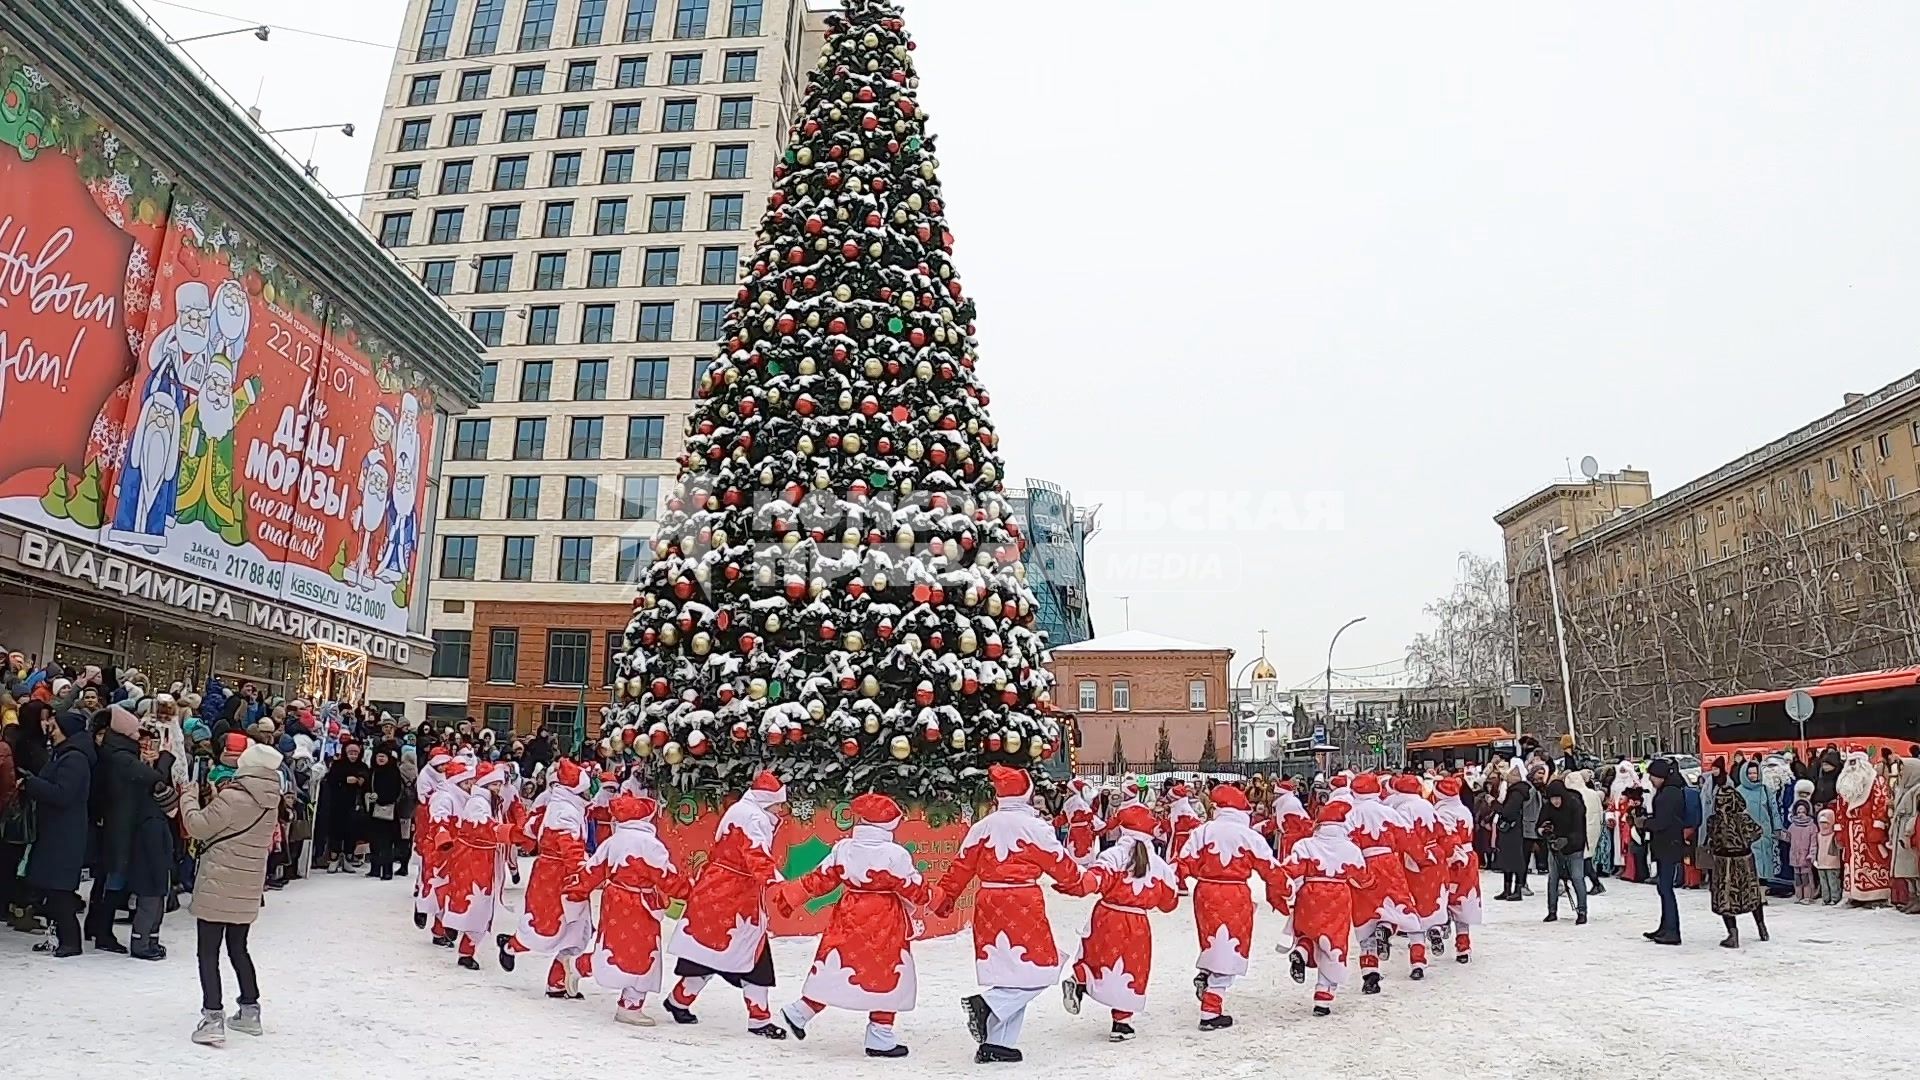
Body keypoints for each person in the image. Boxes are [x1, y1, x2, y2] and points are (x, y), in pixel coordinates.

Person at [931, 765, 1084, 1065]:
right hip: (1022, 900)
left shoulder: (982, 827)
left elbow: (960, 867)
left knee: (1011, 974)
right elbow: (1062, 866)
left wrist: (946, 899)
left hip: (988, 900)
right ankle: (987, 1004)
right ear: (1027, 793)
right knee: (1040, 968)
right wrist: (1079, 883)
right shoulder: (1035, 827)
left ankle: (998, 1044)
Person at [773, 792, 928, 1057]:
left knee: (836, 966)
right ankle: (880, 1035)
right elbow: (914, 888)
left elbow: (820, 878)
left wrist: (791, 895)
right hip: (884, 920)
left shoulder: (843, 848)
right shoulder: (895, 854)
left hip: (848, 913)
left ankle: (800, 1011)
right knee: (887, 974)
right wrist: (938, 899)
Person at [665, 770, 789, 1036]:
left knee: (707, 954)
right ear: (767, 801)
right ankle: (759, 1019)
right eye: (779, 804)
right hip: (735, 898)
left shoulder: (742, 811)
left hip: (717, 890)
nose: (781, 810)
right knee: (754, 958)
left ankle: (678, 1000)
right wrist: (778, 886)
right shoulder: (753, 818)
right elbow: (756, 855)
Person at [180, 738, 281, 1045]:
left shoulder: (235, 796)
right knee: (238, 947)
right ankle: (249, 1010)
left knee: (208, 952)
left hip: (217, 883)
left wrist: (188, 798)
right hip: (247, 884)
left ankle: (212, 1017)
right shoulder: (270, 799)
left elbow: (198, 826)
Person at [566, 793, 691, 1027]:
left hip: (614, 900)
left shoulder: (613, 840)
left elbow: (592, 871)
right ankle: (630, 1005)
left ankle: (580, 966)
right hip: (640, 904)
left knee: (613, 948)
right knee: (644, 955)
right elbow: (667, 877)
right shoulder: (650, 845)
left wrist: (576, 891)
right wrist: (690, 892)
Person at [1056, 803, 1178, 1042]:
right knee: (1131, 968)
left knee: (1095, 955)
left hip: (1107, 915)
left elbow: (1094, 880)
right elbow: (1169, 903)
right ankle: (1121, 1023)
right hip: (1137, 922)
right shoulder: (1159, 866)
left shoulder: (1113, 855)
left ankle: (1079, 979)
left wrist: (1069, 884)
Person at [1170, 784, 1284, 1028]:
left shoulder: (1203, 831)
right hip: (1235, 892)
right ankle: (1211, 1009)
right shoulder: (1249, 835)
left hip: (1205, 891)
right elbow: (1270, 868)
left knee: (1212, 940)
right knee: (1232, 946)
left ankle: (1208, 973)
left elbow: (1183, 862)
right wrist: (1285, 890)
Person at [499, 759, 596, 995]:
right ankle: (511, 946)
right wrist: (582, 870)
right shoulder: (564, 811)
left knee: (577, 930)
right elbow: (569, 846)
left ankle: (557, 982)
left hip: (567, 877)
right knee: (545, 928)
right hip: (554, 878)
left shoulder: (568, 806)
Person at [1270, 801, 1371, 1016]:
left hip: (1310, 892)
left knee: (1308, 932)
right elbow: (1363, 878)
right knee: (1333, 944)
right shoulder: (1350, 848)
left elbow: (1290, 870)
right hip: (1338, 896)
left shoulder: (1306, 844)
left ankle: (1301, 951)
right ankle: (1323, 998)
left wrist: (1282, 890)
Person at [99, 706, 176, 959]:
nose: (145, 743)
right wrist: (164, 760)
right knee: (135, 886)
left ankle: (119, 933)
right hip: (136, 830)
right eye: (140, 737)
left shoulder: (121, 756)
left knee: (132, 885)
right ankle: (127, 938)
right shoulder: (123, 759)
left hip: (136, 828)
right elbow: (155, 782)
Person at [19, 710, 94, 955]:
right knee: (51, 889)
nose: (49, 726)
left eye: (54, 723)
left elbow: (63, 794)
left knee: (60, 890)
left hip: (65, 834)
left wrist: (32, 783)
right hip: (55, 830)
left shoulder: (75, 759)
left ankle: (71, 941)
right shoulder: (62, 754)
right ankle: (55, 938)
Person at [1341, 774, 1422, 994]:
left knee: (1365, 918)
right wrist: (1422, 860)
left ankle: (1370, 975)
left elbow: (1343, 845)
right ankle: (1393, 934)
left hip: (1363, 865)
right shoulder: (1389, 812)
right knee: (1401, 906)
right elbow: (1408, 838)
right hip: (1389, 863)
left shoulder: (1350, 815)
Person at [1704, 782, 1768, 948]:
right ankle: (1762, 928)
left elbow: (1712, 839)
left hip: (1723, 862)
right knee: (1751, 894)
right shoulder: (1743, 818)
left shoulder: (1714, 821)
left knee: (1725, 898)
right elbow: (1758, 832)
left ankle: (1733, 934)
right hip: (1744, 859)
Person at [1430, 776, 1482, 962]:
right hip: (1469, 858)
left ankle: (1439, 927)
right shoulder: (1463, 809)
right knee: (1464, 901)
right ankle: (1463, 945)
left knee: (1443, 897)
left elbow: (1448, 838)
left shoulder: (1441, 813)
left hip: (1451, 861)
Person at [1835, 750, 1893, 905]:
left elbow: (1881, 803)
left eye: (1856, 762)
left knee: (1873, 859)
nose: (1853, 767)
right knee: (1851, 861)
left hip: (1868, 827)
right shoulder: (1844, 784)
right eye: (1850, 762)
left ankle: (1875, 894)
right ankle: (1855, 893)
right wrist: (1839, 829)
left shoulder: (1875, 781)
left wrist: (1877, 826)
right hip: (1850, 828)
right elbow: (1840, 808)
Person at [1641, 757, 1688, 944]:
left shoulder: (1669, 793)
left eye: (1652, 776)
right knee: (1663, 887)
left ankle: (1672, 930)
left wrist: (1645, 823)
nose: (1651, 780)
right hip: (1667, 844)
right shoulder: (1669, 790)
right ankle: (1665, 926)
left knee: (1666, 888)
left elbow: (1663, 822)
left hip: (1668, 844)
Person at [1537, 779, 1589, 925]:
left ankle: (1582, 911)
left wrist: (1567, 840)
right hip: (1554, 849)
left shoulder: (1575, 805)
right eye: (1552, 799)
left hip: (1575, 848)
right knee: (1553, 879)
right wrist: (1544, 830)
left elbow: (1580, 830)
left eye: (1557, 798)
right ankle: (1552, 911)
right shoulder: (1547, 807)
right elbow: (1539, 825)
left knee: (1577, 878)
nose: (1555, 802)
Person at [322, 741, 371, 872]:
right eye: (351, 753)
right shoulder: (338, 765)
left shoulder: (363, 766)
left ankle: (349, 858)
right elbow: (330, 780)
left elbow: (368, 781)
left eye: (356, 753)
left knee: (352, 832)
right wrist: (344, 779)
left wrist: (362, 780)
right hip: (337, 804)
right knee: (335, 832)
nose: (353, 756)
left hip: (355, 805)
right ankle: (334, 858)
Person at [1733, 760, 1783, 887]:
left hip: (1765, 833)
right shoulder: (1738, 791)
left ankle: (1763, 890)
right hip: (1746, 834)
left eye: (1755, 773)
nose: (1752, 776)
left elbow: (1773, 809)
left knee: (1765, 862)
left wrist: (1777, 827)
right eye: (1749, 773)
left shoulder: (1765, 790)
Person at [366, 746, 405, 879]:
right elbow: (366, 787)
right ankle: (375, 868)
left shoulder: (393, 772)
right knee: (374, 840)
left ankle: (387, 870)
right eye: (379, 756)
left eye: (383, 756)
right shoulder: (372, 772)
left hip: (389, 811)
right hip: (373, 810)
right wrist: (369, 797)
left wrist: (381, 798)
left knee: (386, 841)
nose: (381, 759)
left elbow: (396, 791)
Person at [1565, 769, 1607, 893]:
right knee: (1585, 857)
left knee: (1580, 858)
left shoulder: (1574, 795)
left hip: (1580, 830)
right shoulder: (1593, 794)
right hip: (1593, 829)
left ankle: (1595, 883)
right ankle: (1595, 883)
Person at [1493, 766, 1529, 900]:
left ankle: (1515, 890)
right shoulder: (1519, 792)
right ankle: (1509, 889)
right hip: (1514, 829)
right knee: (1510, 859)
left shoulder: (1516, 793)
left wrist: (1494, 804)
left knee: (1514, 860)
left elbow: (1507, 811)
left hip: (1512, 830)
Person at [1053, 777, 1103, 868]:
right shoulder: (1083, 803)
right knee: (1084, 852)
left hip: (1077, 833)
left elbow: (1063, 818)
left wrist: (1050, 823)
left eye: (1069, 790)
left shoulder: (1072, 802)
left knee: (1076, 851)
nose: (1067, 792)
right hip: (1084, 832)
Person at [1893, 758, 1920, 913]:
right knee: (1906, 871)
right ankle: (1912, 898)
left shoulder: (1917, 789)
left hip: (1911, 832)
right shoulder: (1903, 788)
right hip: (1902, 831)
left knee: (1913, 869)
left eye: (1903, 769)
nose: (1901, 772)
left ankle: (1917, 898)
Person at [1785, 785, 1820, 905]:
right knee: (1797, 877)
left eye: (1803, 812)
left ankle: (1808, 896)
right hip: (1795, 856)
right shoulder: (1793, 826)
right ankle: (1799, 896)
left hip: (1806, 857)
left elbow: (1814, 843)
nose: (1801, 814)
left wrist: (1812, 855)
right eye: (1799, 811)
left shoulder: (1812, 826)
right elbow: (1788, 838)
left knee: (1806, 877)